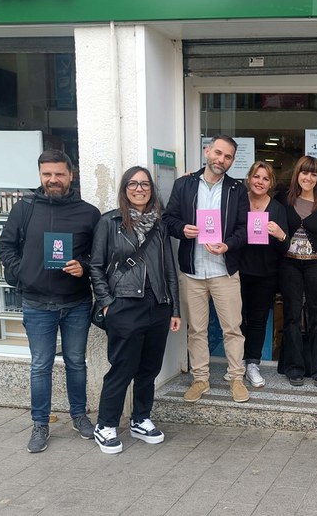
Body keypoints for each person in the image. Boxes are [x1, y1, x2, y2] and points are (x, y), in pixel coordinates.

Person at [0, 149, 101, 453]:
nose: (53, 179)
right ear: (40, 175)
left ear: (71, 175)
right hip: (37, 303)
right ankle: (40, 424)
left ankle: (79, 416)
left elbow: (99, 255)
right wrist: (23, 273)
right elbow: (6, 247)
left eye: (59, 174)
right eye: (47, 174)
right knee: (40, 365)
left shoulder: (88, 212)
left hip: (76, 302)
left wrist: (83, 266)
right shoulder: (24, 209)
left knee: (76, 363)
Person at [89, 167, 181, 454]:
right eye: (133, 184)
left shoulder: (160, 224)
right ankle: (105, 425)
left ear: (151, 189)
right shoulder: (110, 221)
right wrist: (107, 302)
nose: (139, 189)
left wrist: (175, 309)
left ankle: (141, 418)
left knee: (149, 368)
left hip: (158, 305)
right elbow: (96, 266)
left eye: (144, 184)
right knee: (122, 368)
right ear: (124, 188)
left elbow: (169, 269)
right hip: (124, 305)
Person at [163, 134, 250, 403]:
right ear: (207, 151)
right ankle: (200, 379)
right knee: (196, 330)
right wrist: (182, 229)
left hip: (224, 271)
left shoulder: (237, 189)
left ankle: (236, 377)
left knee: (232, 328)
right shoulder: (184, 184)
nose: (222, 160)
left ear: (232, 161)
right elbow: (168, 219)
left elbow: (244, 228)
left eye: (228, 157)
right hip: (192, 271)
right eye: (218, 153)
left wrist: (228, 245)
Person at [277, 156, 317, 387]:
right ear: (297, 174)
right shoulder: (283, 199)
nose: (308, 178)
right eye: (304, 172)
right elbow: (256, 197)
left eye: (313, 174)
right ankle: (294, 368)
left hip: (316, 264)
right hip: (289, 264)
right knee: (291, 316)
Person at [238, 161, 289, 388]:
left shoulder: (277, 209)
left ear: (271, 183)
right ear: (249, 178)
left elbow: (285, 247)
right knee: (236, 319)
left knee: (258, 321)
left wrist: (280, 234)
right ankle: (237, 363)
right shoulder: (238, 202)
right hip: (237, 271)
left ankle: (252, 364)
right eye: (257, 177)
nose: (260, 182)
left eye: (265, 178)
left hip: (265, 273)